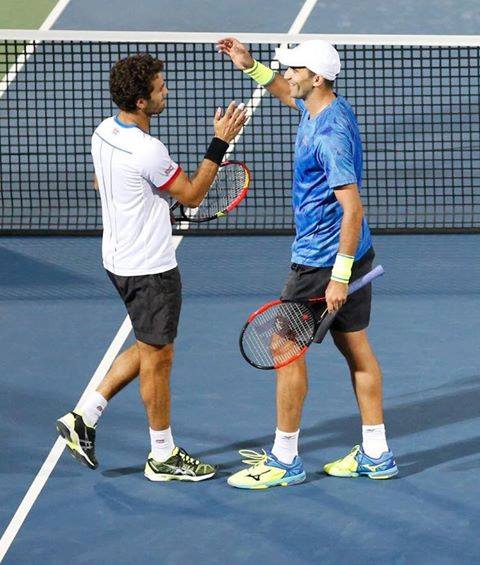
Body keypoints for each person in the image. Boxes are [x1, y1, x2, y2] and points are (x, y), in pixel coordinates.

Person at [56, 53, 247, 482]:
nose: (167, 92)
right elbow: (195, 194)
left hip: (117, 260)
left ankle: (84, 416)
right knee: (159, 358)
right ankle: (162, 455)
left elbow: (103, 183)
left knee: (149, 344)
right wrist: (221, 141)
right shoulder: (148, 150)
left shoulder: (103, 132)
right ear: (142, 101)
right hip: (151, 270)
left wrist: (154, 202)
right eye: (160, 88)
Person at [217, 38, 398, 489]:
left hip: (322, 262)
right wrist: (251, 66)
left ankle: (285, 459)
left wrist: (338, 277)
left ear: (315, 77)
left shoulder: (328, 135)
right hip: (354, 252)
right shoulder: (326, 106)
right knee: (355, 348)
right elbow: (284, 91)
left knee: (284, 348)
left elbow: (351, 209)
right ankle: (377, 454)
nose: (289, 75)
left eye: (294, 69)